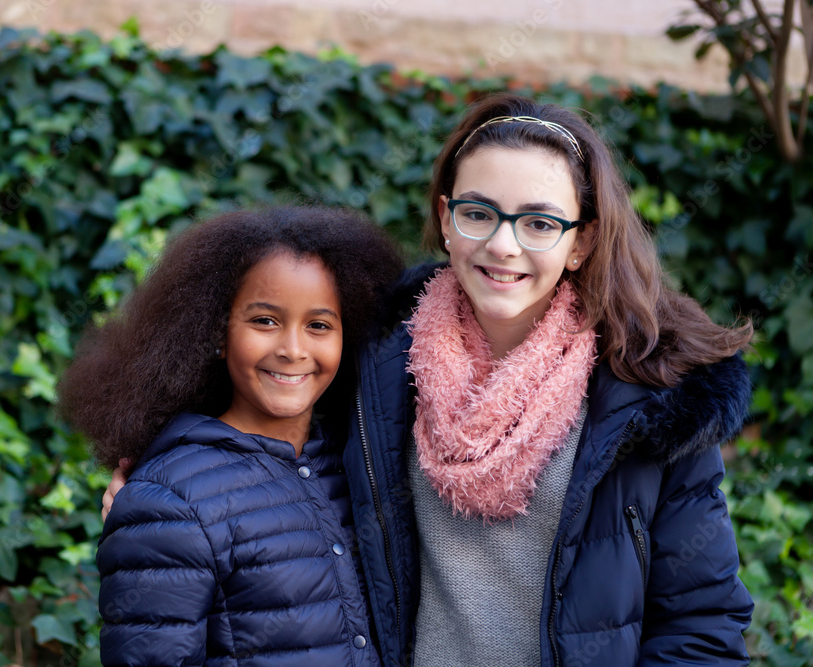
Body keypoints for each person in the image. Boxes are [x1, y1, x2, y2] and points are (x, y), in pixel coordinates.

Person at [103, 94, 755, 666]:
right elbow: (266, 382)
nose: (503, 244)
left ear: (579, 242)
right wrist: (157, 471)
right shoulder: (383, 357)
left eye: (538, 222)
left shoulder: (650, 396)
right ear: (447, 219)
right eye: (480, 212)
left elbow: (702, 620)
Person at [59, 206, 403, 666]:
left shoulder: (357, 466)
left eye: (319, 325)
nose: (292, 350)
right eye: (265, 321)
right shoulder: (168, 500)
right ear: (218, 330)